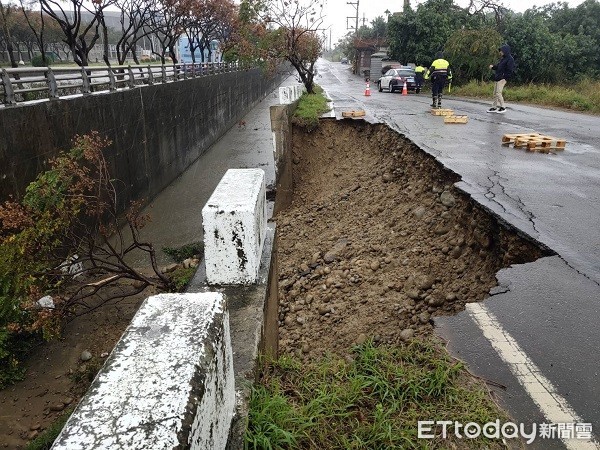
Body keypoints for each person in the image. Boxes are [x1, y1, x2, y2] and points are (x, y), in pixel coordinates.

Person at [487, 44, 515, 114]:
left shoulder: (510, 59)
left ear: (505, 51)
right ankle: (494, 107)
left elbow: (510, 70)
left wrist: (504, 78)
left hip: (502, 79)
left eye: (501, 51)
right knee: (495, 93)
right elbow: (499, 67)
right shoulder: (503, 59)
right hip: (497, 78)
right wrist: (493, 67)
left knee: (498, 93)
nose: (500, 52)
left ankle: (503, 107)